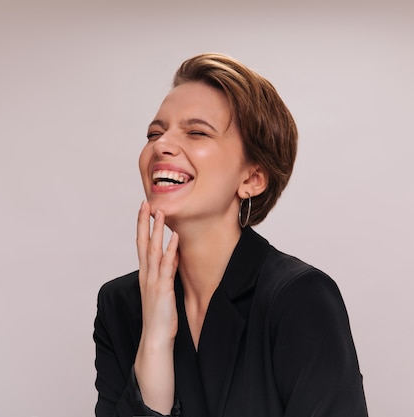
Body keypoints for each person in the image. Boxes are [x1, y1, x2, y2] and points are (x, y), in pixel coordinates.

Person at [93, 53, 368, 417]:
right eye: (154, 133)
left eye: (196, 132)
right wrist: (155, 342)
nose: (161, 146)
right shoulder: (121, 305)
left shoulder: (299, 298)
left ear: (252, 178)